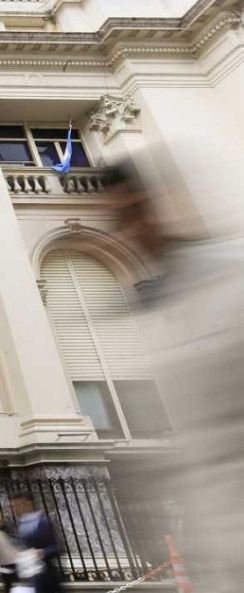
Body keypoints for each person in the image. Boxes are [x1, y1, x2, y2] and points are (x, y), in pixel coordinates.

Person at [103, 157, 244, 591]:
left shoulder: (235, 278)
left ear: (173, 198)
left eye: (138, 210)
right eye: (123, 220)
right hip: (222, 550)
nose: (134, 231)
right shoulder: (156, 305)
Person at [7, 491, 63, 593]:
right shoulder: (18, 525)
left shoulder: (43, 523)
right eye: (11, 506)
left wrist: (42, 552)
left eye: (15, 505)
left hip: (45, 578)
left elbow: (58, 547)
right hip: (26, 577)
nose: (13, 509)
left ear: (28, 504)